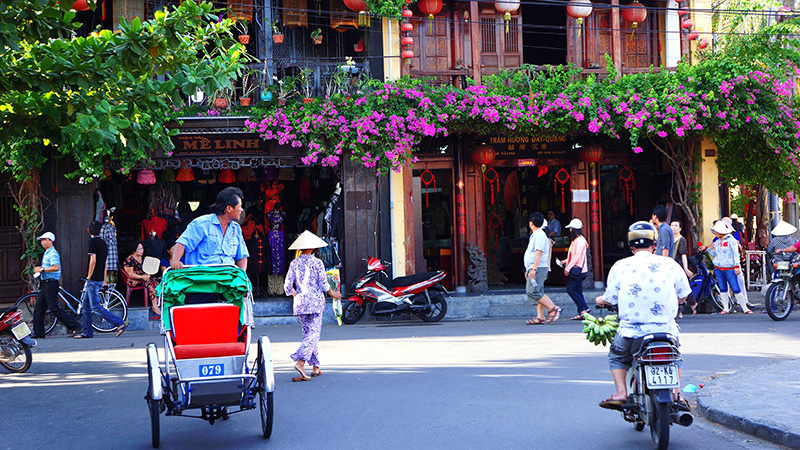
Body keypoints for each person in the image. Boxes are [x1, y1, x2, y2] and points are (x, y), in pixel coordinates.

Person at [596, 221, 691, 409]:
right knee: (675, 356)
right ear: (654, 245)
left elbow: (611, 297)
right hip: (666, 331)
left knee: (617, 356)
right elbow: (684, 294)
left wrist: (601, 300)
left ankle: (622, 392)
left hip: (632, 332)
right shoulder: (669, 264)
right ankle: (676, 393)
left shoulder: (620, 266)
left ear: (631, 246)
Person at [284, 231, 342, 382]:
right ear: (314, 248)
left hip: (301, 302)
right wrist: (333, 293)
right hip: (315, 302)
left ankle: (316, 366)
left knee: (308, 333)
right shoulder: (317, 263)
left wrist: (295, 294)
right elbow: (323, 284)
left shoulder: (294, 263)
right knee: (314, 333)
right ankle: (301, 361)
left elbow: (288, 286)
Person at [171, 186, 249, 271]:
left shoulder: (236, 229)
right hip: (202, 278)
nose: (242, 210)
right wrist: (175, 261)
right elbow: (181, 244)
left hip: (227, 278)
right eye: (240, 206)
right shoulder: (201, 224)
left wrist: (241, 276)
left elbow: (242, 256)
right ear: (229, 208)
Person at [75, 221, 126, 339]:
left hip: (92, 279)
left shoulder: (92, 242)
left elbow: (93, 260)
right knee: (86, 307)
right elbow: (105, 263)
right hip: (99, 278)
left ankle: (119, 323)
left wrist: (88, 277)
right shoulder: (103, 243)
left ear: (88, 230)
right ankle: (87, 333)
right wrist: (104, 280)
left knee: (95, 307)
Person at [32, 232, 82, 338]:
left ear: (51, 241)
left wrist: (43, 269)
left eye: (45, 240)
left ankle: (75, 326)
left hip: (50, 283)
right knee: (39, 309)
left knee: (54, 308)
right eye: (41, 240)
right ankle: (39, 333)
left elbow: (56, 267)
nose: (42, 242)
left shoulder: (53, 253)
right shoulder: (47, 253)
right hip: (45, 283)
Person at [524, 212, 562, 325]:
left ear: (531, 223)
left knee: (533, 291)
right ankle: (540, 317)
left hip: (538, 268)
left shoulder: (540, 235)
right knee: (538, 291)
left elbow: (538, 253)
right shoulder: (536, 235)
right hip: (535, 267)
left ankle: (553, 308)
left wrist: (534, 269)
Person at [707, 220, 752, 314]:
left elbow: (735, 254)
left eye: (716, 231)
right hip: (719, 268)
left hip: (729, 268)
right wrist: (707, 250)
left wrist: (736, 266)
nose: (715, 233)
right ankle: (725, 308)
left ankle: (745, 308)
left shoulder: (731, 240)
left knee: (735, 288)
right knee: (723, 288)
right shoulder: (718, 242)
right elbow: (716, 254)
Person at [560, 218, 590, 320]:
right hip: (579, 269)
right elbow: (575, 256)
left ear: (573, 229)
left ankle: (584, 308)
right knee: (577, 290)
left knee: (571, 289)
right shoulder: (579, 240)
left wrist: (567, 268)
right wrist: (566, 261)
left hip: (578, 270)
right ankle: (582, 311)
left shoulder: (580, 241)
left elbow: (577, 256)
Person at [124, 241, 161, 319]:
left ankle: (159, 302)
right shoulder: (129, 260)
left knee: (159, 280)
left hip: (144, 278)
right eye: (139, 249)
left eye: (142, 248)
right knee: (151, 282)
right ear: (134, 250)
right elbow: (130, 274)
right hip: (134, 280)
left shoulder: (143, 258)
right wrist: (141, 277)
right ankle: (154, 306)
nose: (142, 250)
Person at [670, 220, 697, 317]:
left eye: (676, 226)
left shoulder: (682, 240)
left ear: (680, 228)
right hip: (671, 266)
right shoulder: (669, 239)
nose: (674, 227)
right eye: (672, 225)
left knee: (683, 287)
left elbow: (683, 255)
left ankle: (689, 306)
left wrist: (685, 268)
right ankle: (683, 309)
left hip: (679, 266)